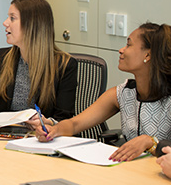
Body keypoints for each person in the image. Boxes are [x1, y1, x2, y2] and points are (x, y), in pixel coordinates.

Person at [36, 22, 171, 162]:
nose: (121, 50)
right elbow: (75, 124)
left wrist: (150, 142)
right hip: (131, 170)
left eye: (129, 45)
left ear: (147, 55)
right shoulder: (123, 93)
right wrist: (54, 130)